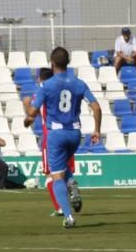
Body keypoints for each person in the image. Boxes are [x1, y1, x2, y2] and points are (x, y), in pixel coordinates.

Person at [25, 47, 101, 228]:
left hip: (56, 134)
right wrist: (96, 130)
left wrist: (27, 112)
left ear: (52, 64)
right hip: (75, 133)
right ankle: (71, 182)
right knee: (63, 168)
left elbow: (33, 112)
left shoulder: (47, 85)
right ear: (68, 63)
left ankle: (68, 216)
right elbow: (96, 107)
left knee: (56, 175)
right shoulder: (79, 83)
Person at [26, 67, 79, 217]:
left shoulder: (41, 93)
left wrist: (26, 104)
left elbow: (31, 115)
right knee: (64, 173)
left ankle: (61, 208)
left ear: (40, 79)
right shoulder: (64, 91)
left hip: (50, 138)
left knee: (51, 176)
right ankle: (71, 187)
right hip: (68, 134)